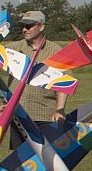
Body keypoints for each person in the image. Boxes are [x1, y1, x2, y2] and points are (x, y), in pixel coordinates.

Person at [7, 8, 68, 150]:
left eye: (29, 26)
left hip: (44, 115)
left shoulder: (55, 51)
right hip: (18, 115)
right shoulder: (14, 48)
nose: (24, 29)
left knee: (46, 157)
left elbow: (63, 83)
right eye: (23, 26)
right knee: (19, 158)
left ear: (41, 27)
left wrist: (60, 109)